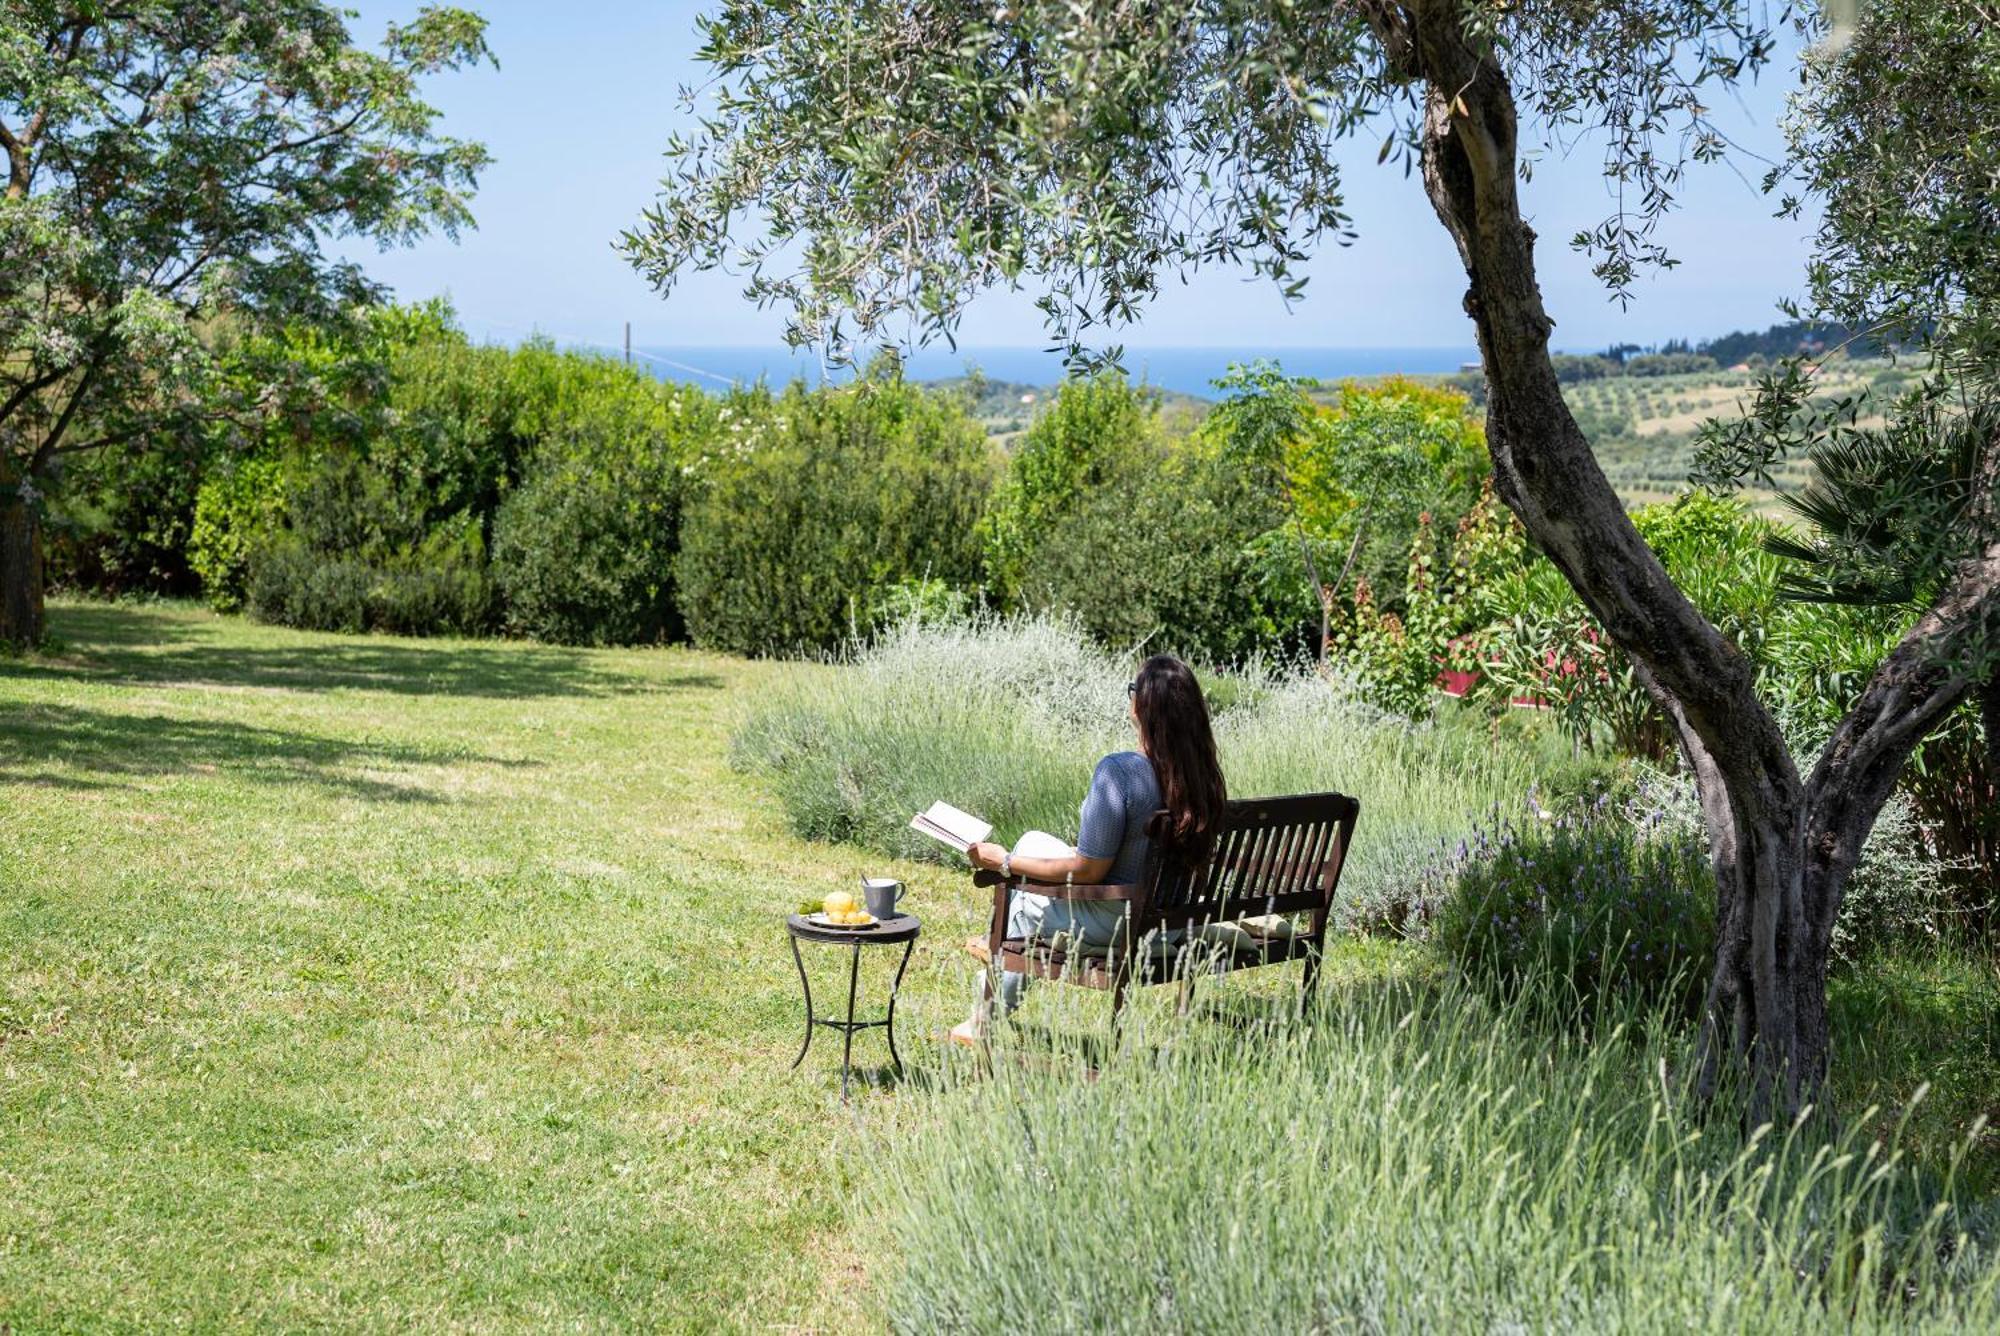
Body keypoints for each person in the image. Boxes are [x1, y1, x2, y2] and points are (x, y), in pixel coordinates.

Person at [950, 653, 1227, 1044]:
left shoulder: (1120, 772)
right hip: (1170, 927)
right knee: (1034, 839)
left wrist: (1006, 862)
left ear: (1141, 706)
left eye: (1133, 689)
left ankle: (989, 1010)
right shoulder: (1202, 778)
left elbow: (1089, 872)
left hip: (1117, 924)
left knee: (1023, 897)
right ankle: (993, 954)